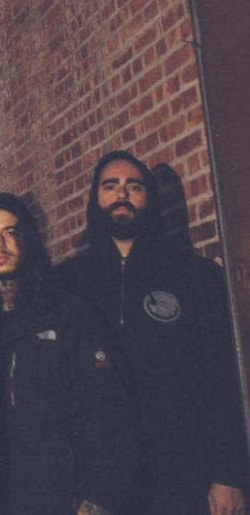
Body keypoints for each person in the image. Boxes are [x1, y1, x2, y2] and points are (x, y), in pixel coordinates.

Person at [56, 150, 248, 515]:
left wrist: (229, 474)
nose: (122, 194)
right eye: (110, 186)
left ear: (150, 198)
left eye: (134, 186)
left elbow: (222, 377)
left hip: (185, 472)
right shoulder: (68, 282)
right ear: (95, 199)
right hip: (101, 481)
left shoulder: (196, 277)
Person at [0, 192, 134, 514]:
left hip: (58, 496)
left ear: (27, 239)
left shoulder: (66, 312)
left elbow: (103, 407)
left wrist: (98, 497)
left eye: (10, 232)